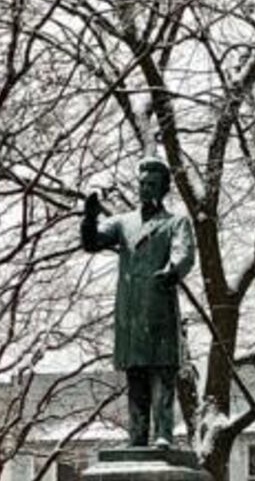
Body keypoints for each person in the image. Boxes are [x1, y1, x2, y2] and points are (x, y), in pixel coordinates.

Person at [80, 157, 196, 447]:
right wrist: (89, 217)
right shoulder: (123, 222)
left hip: (159, 308)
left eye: (152, 184)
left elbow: (185, 253)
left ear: (163, 188)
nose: (145, 189)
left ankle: (163, 435)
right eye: (143, 184)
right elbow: (92, 242)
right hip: (130, 313)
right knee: (136, 376)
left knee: (162, 373)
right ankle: (137, 437)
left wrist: (172, 270)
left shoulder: (175, 222)